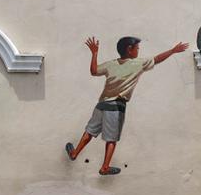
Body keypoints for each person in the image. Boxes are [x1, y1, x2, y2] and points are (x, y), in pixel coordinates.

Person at [65, 36, 189, 175]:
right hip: (116, 106)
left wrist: (94, 53)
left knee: (90, 131)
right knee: (111, 138)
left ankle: (75, 153)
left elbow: (94, 71)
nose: (138, 51)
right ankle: (105, 167)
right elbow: (157, 59)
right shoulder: (138, 64)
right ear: (129, 50)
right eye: (137, 48)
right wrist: (172, 51)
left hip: (102, 103)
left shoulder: (110, 64)